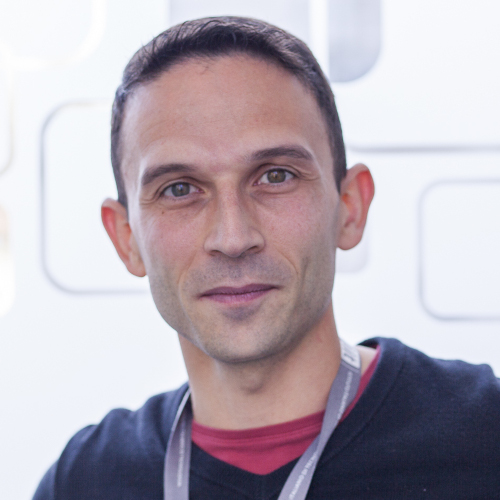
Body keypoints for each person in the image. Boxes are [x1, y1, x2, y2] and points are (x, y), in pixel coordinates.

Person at [34, 17, 500, 500]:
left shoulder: (486, 439)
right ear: (126, 238)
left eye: (275, 176)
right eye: (179, 189)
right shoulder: (85, 481)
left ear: (350, 208)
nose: (233, 237)